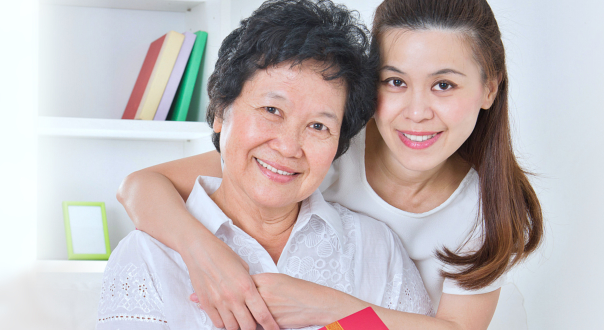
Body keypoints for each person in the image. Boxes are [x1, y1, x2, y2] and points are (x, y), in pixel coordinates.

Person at [119, 0, 542, 329]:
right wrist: (206, 255)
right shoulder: (323, 146)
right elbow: (142, 185)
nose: (417, 112)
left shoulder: (488, 208)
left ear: (489, 88)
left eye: (444, 85)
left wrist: (325, 305)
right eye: (395, 82)